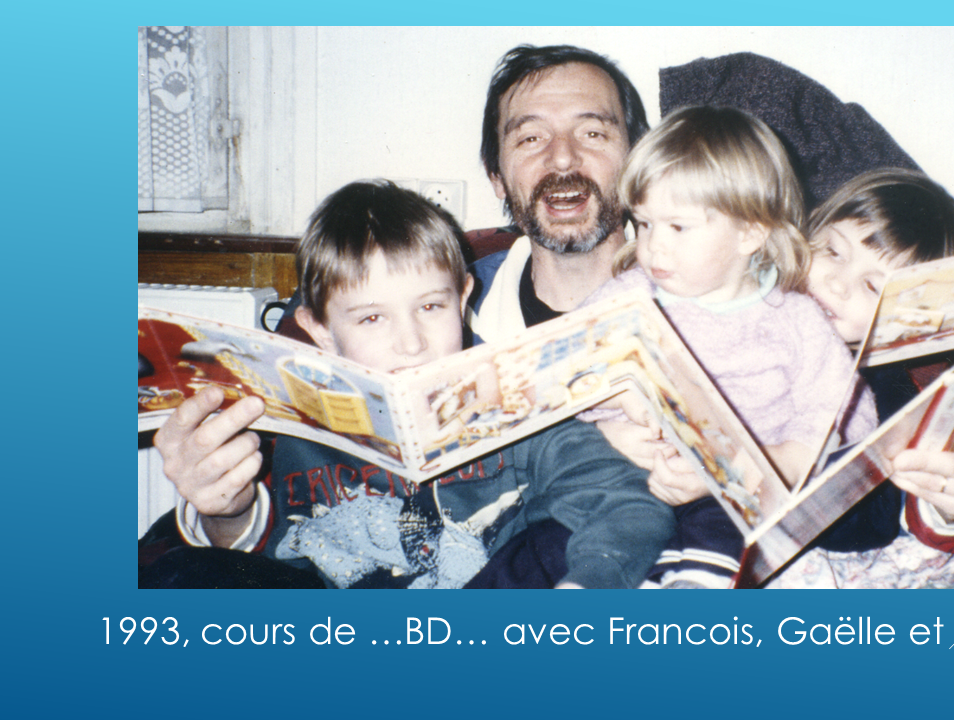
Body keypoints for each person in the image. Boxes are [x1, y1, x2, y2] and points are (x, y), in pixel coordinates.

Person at [140, 180, 673, 589]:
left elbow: (623, 502)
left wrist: (588, 589)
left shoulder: (520, 403)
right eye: (372, 318)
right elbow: (279, 556)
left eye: (431, 306)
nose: (412, 344)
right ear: (320, 332)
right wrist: (230, 512)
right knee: (183, 573)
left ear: (463, 300)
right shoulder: (298, 426)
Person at [578, 106, 879, 588]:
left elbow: (841, 414)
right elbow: (562, 376)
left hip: (737, 492)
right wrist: (612, 409)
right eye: (644, 223)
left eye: (678, 227)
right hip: (629, 479)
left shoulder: (796, 320)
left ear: (750, 232)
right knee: (564, 525)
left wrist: (761, 465)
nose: (654, 247)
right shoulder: (627, 296)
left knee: (726, 529)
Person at [789, 167, 954, 588]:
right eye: (833, 252)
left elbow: (873, 522)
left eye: (873, 287)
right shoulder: (749, 308)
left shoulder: (891, 384)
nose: (837, 283)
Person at [468, 44, 649, 343]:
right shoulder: (448, 313)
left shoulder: (702, 300)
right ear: (496, 177)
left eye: (592, 133)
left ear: (636, 163)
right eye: (531, 138)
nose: (563, 158)